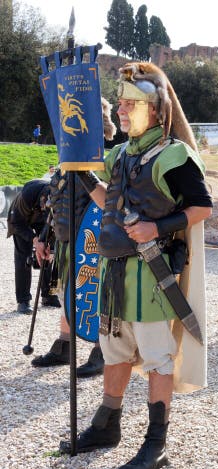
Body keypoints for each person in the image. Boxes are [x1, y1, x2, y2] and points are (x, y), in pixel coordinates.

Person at [61, 62, 212, 469]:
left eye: (131, 103)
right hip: (114, 271)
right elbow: (109, 199)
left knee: (158, 357)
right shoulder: (122, 154)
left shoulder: (175, 156)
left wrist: (157, 227)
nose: (123, 110)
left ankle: (156, 443)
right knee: (115, 351)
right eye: (122, 103)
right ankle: (107, 424)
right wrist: (83, 174)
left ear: (156, 110)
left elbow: (202, 207)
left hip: (151, 272)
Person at [31, 98, 118, 375]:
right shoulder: (63, 165)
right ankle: (65, 344)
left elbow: (110, 204)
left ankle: (103, 350)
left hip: (97, 244)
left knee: (99, 295)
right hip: (69, 243)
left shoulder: (106, 163)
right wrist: (45, 237)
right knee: (69, 291)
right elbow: (56, 205)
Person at [6, 177, 56, 314]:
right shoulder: (27, 195)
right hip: (20, 220)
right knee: (24, 258)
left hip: (43, 220)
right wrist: (35, 240)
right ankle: (23, 301)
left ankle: (48, 295)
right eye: (44, 203)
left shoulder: (58, 197)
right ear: (42, 197)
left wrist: (46, 244)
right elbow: (16, 223)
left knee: (48, 254)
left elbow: (54, 224)